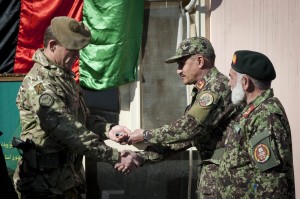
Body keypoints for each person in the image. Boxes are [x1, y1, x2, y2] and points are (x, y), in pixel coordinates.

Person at [13, 16, 142, 199]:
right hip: (43, 186)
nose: (77, 57)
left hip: (68, 180)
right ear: (52, 45)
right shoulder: (39, 83)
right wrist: (116, 156)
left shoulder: (64, 77)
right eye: (72, 51)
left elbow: (82, 118)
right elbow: (69, 130)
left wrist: (108, 129)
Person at [113, 37, 241, 198]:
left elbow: (187, 129)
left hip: (227, 181)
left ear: (200, 61)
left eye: (182, 63)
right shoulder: (205, 89)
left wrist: (145, 135)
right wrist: (141, 157)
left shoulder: (216, 88)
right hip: (218, 179)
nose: (178, 70)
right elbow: (186, 139)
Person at [217, 50, 295, 198]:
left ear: (245, 82)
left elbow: (271, 182)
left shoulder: (265, 116)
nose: (229, 84)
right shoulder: (252, 111)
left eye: (231, 78)